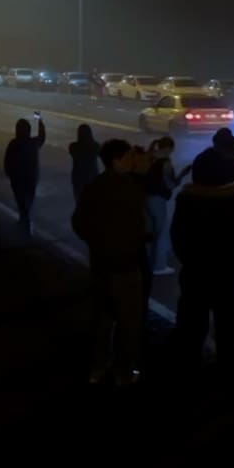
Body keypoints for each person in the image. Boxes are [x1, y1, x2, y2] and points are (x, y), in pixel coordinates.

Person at [72, 139, 149, 386]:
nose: (132, 161)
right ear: (116, 160)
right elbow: (144, 227)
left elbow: (79, 223)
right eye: (128, 157)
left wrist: (97, 243)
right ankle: (123, 372)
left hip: (100, 265)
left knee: (102, 319)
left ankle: (98, 367)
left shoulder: (93, 187)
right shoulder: (130, 189)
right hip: (126, 266)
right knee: (128, 321)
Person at [171, 150, 234, 378]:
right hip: (228, 273)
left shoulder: (187, 200)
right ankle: (230, 369)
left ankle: (187, 366)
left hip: (196, 273)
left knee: (191, 324)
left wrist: (191, 260)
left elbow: (178, 237)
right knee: (228, 326)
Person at [144, 137, 187, 276]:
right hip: (158, 198)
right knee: (162, 232)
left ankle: (149, 263)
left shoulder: (149, 157)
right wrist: (182, 175)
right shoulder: (165, 163)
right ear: (169, 148)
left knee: (151, 231)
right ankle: (159, 265)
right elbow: (171, 184)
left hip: (145, 197)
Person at [3, 115, 46, 234]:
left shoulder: (14, 143)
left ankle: (24, 220)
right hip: (31, 178)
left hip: (17, 179)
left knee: (20, 201)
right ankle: (25, 221)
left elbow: (7, 160)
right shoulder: (33, 143)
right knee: (28, 200)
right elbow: (42, 137)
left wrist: (8, 172)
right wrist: (40, 122)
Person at [69, 124, 100, 202]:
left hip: (78, 179)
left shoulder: (74, 147)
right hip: (92, 179)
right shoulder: (95, 146)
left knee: (79, 201)